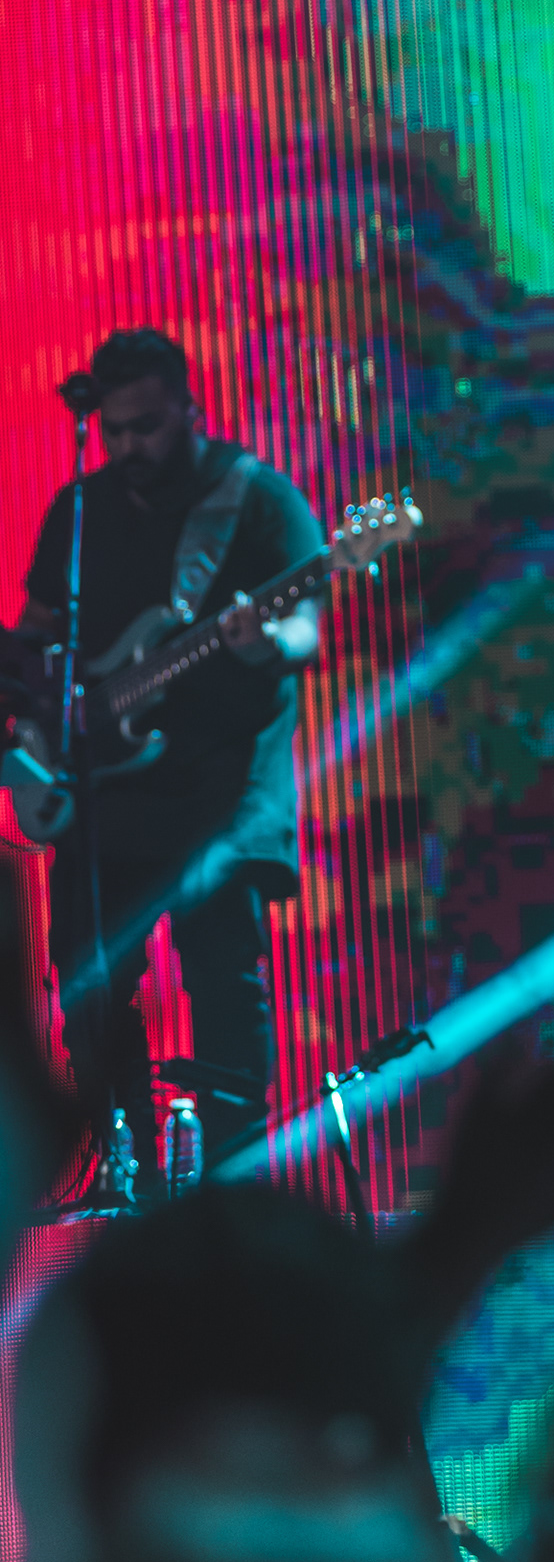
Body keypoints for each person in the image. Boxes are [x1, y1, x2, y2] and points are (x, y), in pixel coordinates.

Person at [11, 328, 326, 1200]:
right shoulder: (79, 510)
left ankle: (235, 1179)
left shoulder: (256, 498)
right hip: (106, 792)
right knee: (89, 978)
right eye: (113, 430)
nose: (128, 446)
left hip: (220, 786)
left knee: (224, 977)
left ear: (191, 408)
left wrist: (265, 642)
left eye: (146, 427)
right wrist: (37, 722)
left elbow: (306, 627)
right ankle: (125, 1167)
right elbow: (36, 635)